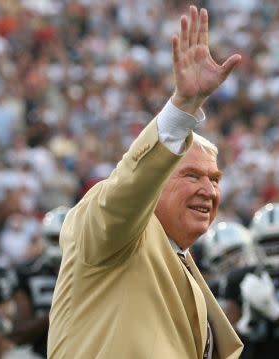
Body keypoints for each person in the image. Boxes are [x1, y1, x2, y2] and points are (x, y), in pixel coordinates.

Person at [47, 6, 243, 359]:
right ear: (156, 180)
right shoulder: (110, 233)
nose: (209, 191)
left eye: (214, 179)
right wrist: (182, 109)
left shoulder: (183, 261)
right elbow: (127, 191)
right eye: (192, 175)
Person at [223, 203, 279, 359]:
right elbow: (224, 346)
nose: (275, 246)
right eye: (267, 241)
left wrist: (274, 311)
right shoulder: (239, 278)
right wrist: (245, 324)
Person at [10, 206, 68, 357]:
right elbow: (19, 334)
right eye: (56, 238)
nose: (61, 244)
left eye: (66, 238)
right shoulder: (29, 272)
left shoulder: (92, 270)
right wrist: (60, 311)